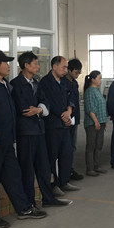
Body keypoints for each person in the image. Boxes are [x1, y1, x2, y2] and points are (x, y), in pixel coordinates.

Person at [0, 50, 46, 228]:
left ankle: (23, 208)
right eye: (5, 63)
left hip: (8, 140)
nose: (9, 66)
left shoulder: (5, 84)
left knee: (13, 175)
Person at [10, 52, 71, 209]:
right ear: (26, 65)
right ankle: (30, 202)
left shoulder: (36, 83)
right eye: (35, 64)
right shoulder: (16, 84)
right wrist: (39, 110)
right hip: (26, 132)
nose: (38, 66)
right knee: (28, 169)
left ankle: (48, 198)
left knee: (44, 167)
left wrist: (39, 109)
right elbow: (24, 109)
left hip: (39, 130)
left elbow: (45, 103)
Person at [39, 56, 78, 194]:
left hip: (65, 125)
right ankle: (53, 184)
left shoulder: (65, 82)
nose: (66, 70)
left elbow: (71, 98)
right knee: (52, 155)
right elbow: (48, 103)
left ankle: (64, 181)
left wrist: (69, 111)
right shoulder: (45, 82)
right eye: (64, 67)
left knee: (66, 154)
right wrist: (63, 116)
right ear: (54, 66)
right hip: (52, 125)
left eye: (66, 67)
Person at [83, 70, 108, 176]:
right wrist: (96, 121)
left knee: (99, 145)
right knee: (91, 146)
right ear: (93, 80)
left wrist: (103, 121)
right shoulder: (89, 92)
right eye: (99, 78)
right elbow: (90, 109)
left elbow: (101, 106)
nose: (100, 80)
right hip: (92, 123)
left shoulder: (97, 91)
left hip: (100, 122)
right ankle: (90, 168)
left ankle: (97, 166)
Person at [65, 58, 85, 181]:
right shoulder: (63, 83)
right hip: (66, 120)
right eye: (76, 72)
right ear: (69, 70)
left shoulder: (74, 83)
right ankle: (65, 171)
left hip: (75, 119)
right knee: (66, 147)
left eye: (79, 72)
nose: (78, 74)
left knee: (73, 146)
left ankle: (70, 169)